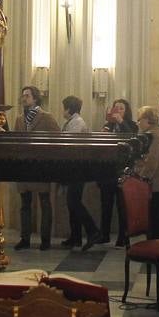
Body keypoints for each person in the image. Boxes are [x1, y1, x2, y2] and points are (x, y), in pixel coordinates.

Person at [13, 85, 60, 251]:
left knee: (44, 202)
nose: (24, 98)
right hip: (24, 165)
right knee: (25, 203)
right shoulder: (19, 119)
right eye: (23, 95)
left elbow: (57, 137)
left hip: (41, 165)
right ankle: (25, 238)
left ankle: (45, 240)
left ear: (35, 98)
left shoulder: (46, 117)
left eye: (27, 95)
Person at [60, 95, 99, 251]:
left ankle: (92, 230)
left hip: (77, 168)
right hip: (73, 169)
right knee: (72, 203)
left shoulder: (77, 123)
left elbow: (70, 147)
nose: (62, 111)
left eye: (63, 108)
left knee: (74, 202)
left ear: (68, 109)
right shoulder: (72, 122)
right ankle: (75, 237)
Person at [102, 99, 137, 246]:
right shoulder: (108, 125)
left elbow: (131, 138)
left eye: (121, 109)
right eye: (116, 108)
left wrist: (122, 122)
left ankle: (123, 236)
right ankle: (104, 234)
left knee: (122, 205)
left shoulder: (132, 125)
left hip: (124, 170)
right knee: (106, 203)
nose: (118, 111)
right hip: (108, 170)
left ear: (126, 111)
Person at [133, 106, 159, 239]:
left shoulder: (153, 135)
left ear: (148, 120)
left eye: (139, 120)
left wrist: (141, 181)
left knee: (156, 223)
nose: (138, 123)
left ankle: (156, 250)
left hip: (155, 185)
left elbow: (151, 163)